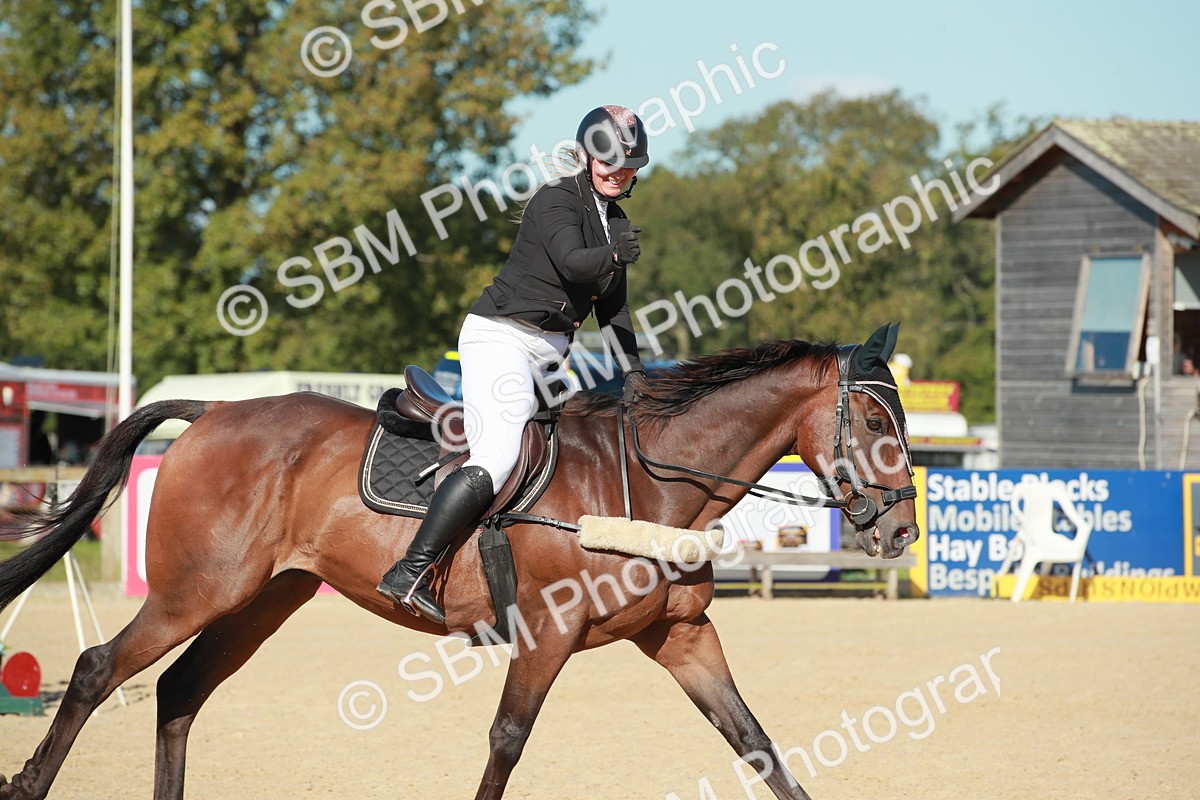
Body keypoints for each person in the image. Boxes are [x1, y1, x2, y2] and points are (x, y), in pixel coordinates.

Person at [377, 105, 650, 622]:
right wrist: (613, 255)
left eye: (630, 165)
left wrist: (633, 372)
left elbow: (614, 310)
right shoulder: (556, 199)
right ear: (588, 156)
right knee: (499, 455)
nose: (620, 172)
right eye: (610, 162)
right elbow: (572, 262)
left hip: (549, 357)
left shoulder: (614, 221)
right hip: (501, 338)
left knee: (579, 448)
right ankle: (410, 569)